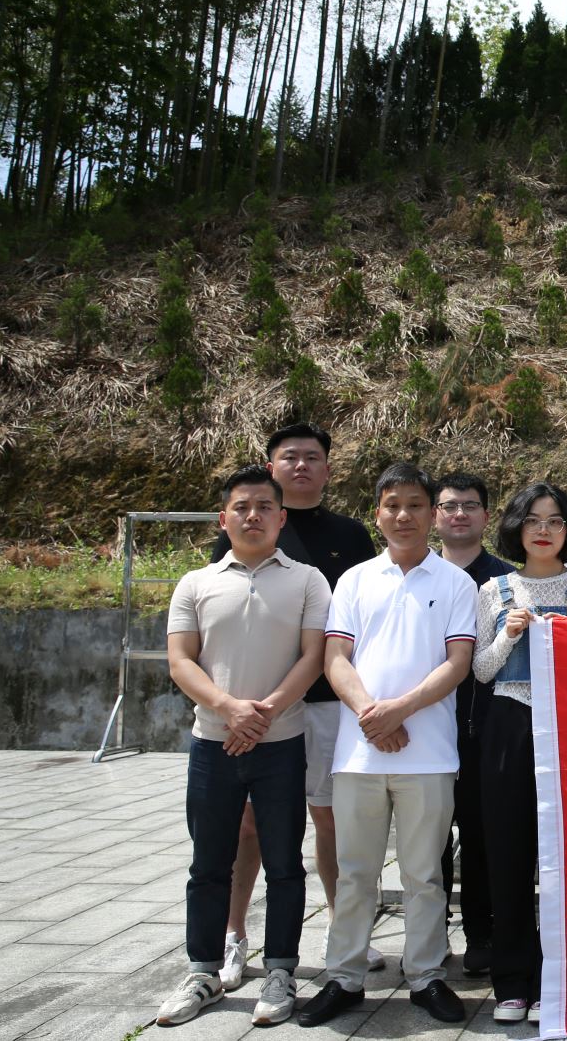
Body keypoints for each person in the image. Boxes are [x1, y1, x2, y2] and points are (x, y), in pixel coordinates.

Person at [299, 464, 477, 1028]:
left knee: (425, 874)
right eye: (393, 505)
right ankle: (345, 974)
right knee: (355, 871)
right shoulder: (353, 580)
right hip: (358, 753)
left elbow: (457, 663)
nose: (404, 515)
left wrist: (399, 710)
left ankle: (425, 975)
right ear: (377, 514)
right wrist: (371, 716)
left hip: (430, 754)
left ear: (432, 514)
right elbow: (335, 658)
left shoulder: (456, 583)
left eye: (416, 505)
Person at [158, 465, 329, 1027]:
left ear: (282, 518)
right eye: (241, 507)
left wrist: (265, 711)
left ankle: (280, 971)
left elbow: (313, 656)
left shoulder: (308, 581)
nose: (253, 516)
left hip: (283, 743)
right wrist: (230, 709)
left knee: (284, 864)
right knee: (209, 863)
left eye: (264, 507)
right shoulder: (195, 583)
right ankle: (203, 971)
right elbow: (181, 660)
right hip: (213, 744)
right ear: (223, 518)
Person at [209, 422, 379, 986]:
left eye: (312, 457)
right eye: (289, 457)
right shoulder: (243, 531)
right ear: (271, 467)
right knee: (248, 825)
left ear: (328, 469)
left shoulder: (351, 535)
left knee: (330, 817)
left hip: (328, 702)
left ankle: (341, 930)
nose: (301, 465)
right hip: (256, 707)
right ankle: (233, 935)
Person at [472, 483, 567, 1024]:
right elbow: (483, 670)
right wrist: (508, 636)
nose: (544, 530)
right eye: (532, 520)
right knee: (509, 854)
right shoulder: (494, 590)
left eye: (554, 520)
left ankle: (565, 979)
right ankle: (512, 982)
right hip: (509, 725)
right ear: (516, 527)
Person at [433, 471, 515, 977]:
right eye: (449, 506)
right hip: (425, 725)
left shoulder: (506, 580)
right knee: (430, 836)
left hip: (487, 729)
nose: (459, 514)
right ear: (435, 515)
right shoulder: (418, 573)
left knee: (483, 834)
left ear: (486, 514)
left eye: (469, 505)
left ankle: (481, 933)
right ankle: (431, 931)